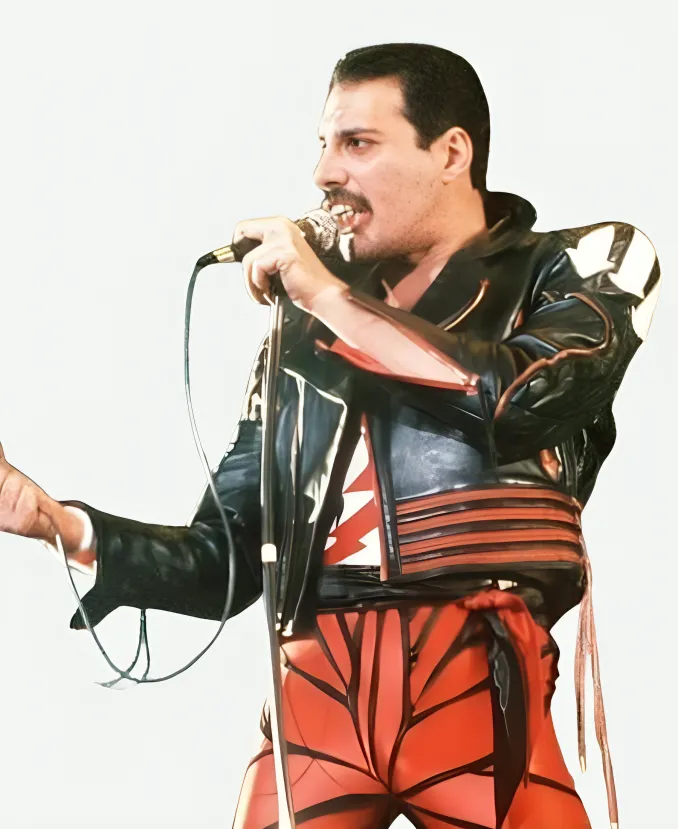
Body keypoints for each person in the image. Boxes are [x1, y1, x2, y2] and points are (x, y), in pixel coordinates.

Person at [0, 43, 661, 829]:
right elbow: (225, 558)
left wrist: (326, 297)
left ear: (452, 153)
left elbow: (524, 397)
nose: (323, 173)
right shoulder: (302, 335)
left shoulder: (584, 263)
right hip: (319, 686)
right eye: (323, 144)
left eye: (358, 143)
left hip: (476, 673)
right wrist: (58, 524)